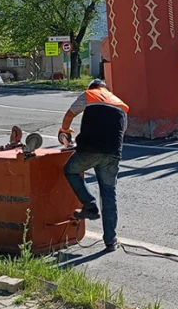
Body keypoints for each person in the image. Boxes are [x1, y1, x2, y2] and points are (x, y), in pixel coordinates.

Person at [59, 78, 129, 252]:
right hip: (113, 153)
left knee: (70, 170)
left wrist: (65, 131)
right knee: (109, 192)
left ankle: (89, 204)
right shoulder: (120, 104)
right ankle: (110, 241)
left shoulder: (89, 94)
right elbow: (122, 130)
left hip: (89, 149)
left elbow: (70, 114)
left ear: (92, 87)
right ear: (106, 89)